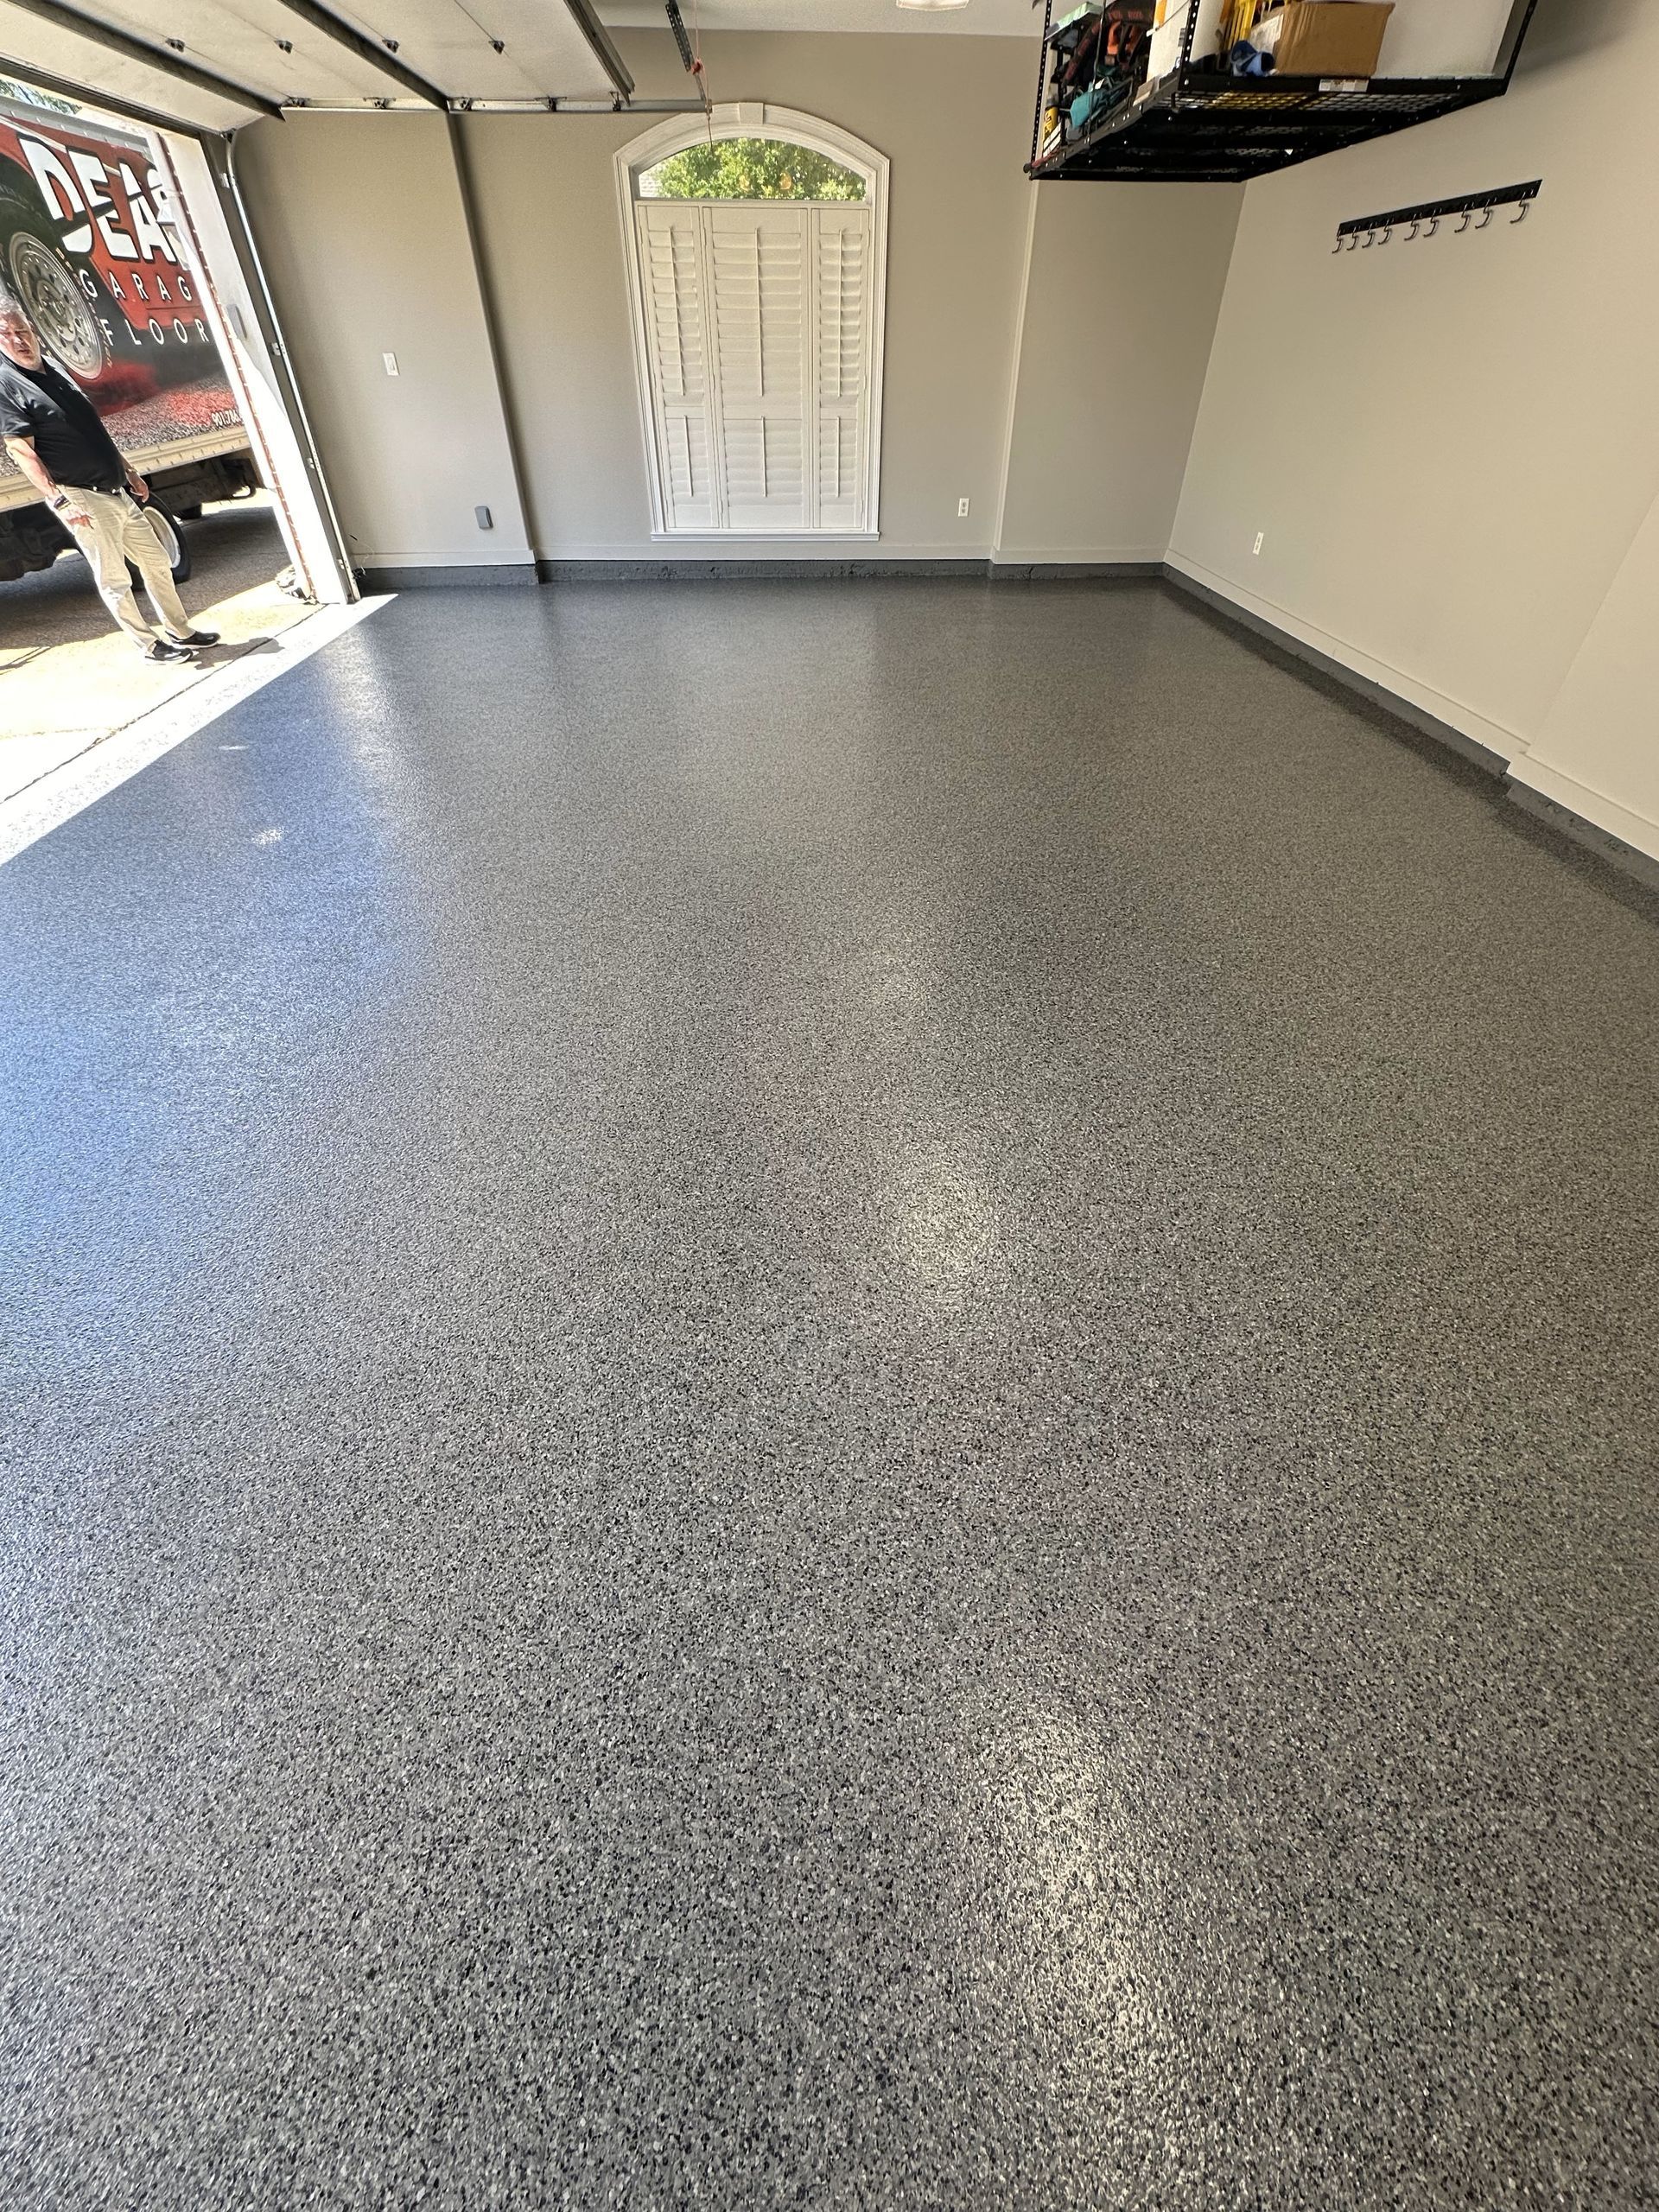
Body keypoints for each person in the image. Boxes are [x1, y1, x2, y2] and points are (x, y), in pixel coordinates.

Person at [0, 296, 219, 663]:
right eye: (5, 334)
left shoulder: (54, 369)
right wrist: (58, 500)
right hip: (81, 496)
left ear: (33, 330)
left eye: (21, 330)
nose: (17, 340)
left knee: (156, 561)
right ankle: (148, 645)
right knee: (115, 578)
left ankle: (180, 630)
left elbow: (92, 430)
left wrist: (128, 470)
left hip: (116, 488)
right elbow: (21, 450)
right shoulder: (7, 385)